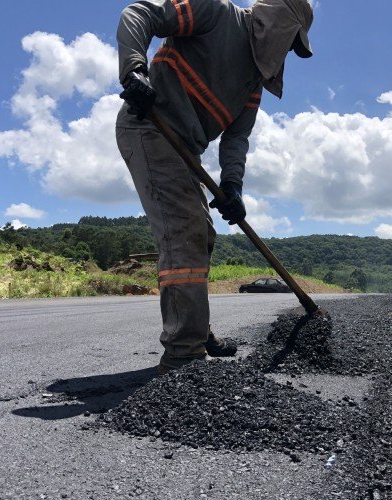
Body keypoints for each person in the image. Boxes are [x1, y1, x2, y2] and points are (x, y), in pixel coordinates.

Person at [115, 0, 314, 374]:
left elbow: (236, 139)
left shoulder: (253, 81)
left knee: (202, 233)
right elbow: (137, 14)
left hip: (185, 148)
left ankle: (195, 327)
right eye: (291, 42)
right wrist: (134, 70)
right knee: (184, 231)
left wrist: (233, 187)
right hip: (149, 126)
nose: (288, 51)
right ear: (278, 23)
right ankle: (184, 353)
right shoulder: (215, 12)